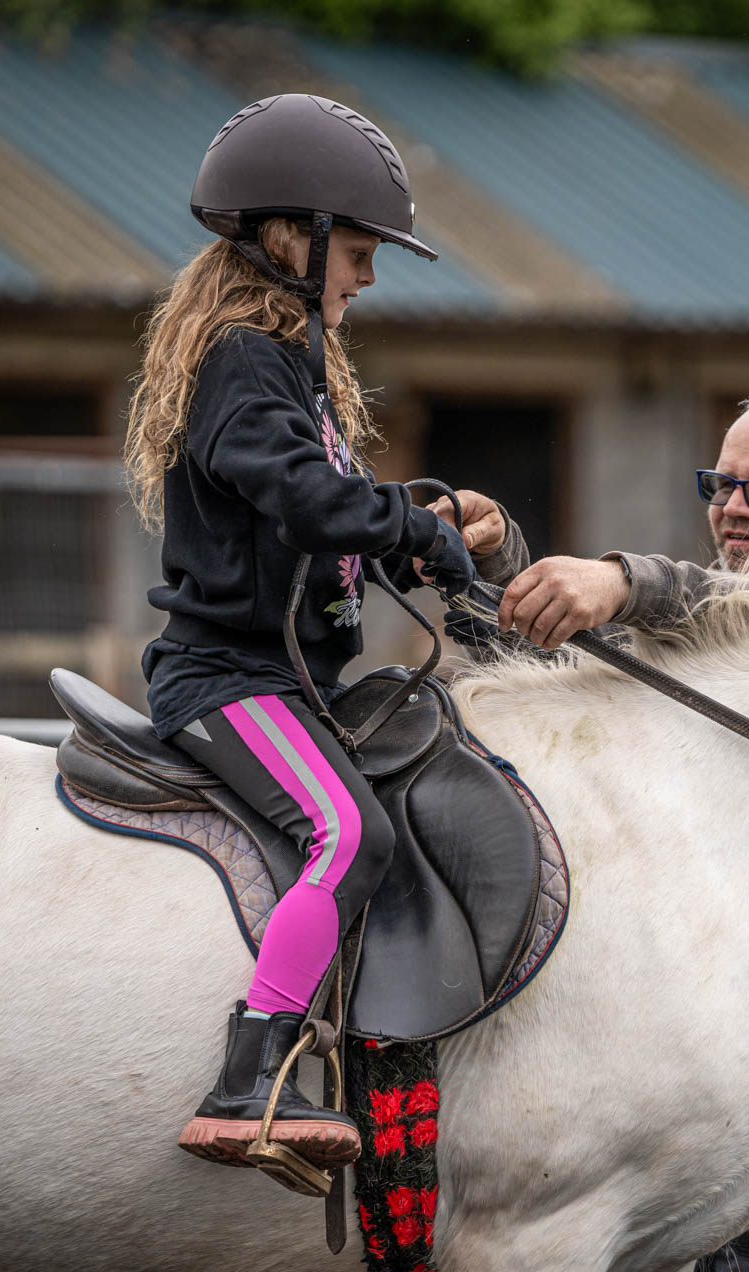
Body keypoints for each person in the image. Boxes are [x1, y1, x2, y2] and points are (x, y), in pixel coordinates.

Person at [442, 388, 749, 1272]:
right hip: (663, 1077)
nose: (733, 507)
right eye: (720, 483)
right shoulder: (689, 641)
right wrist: (499, 568)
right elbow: (556, 685)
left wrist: (624, 579)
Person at [123, 93, 476, 1175]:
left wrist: (402, 543)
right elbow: (304, 497)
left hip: (289, 673)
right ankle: (252, 1072)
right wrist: (401, 520)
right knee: (349, 834)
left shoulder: (289, 364)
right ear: (294, 237)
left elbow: (321, 523)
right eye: (359, 252)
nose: (367, 277)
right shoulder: (243, 355)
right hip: (228, 676)